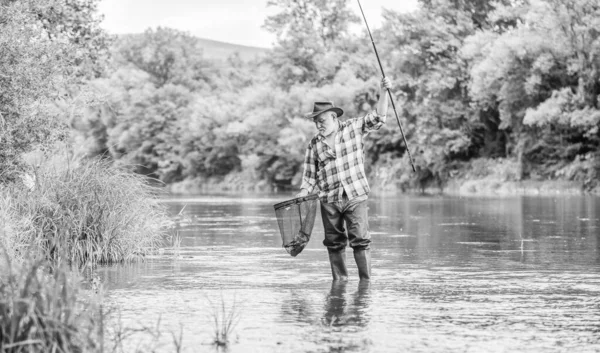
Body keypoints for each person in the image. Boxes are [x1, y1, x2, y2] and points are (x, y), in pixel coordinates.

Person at [296, 77, 392, 281]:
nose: (318, 125)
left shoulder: (353, 128)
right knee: (334, 243)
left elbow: (379, 118)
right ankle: (339, 286)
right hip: (329, 201)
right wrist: (303, 194)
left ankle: (365, 285)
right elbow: (309, 177)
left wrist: (383, 92)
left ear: (333, 117)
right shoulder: (314, 144)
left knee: (361, 241)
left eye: (321, 121)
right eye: (316, 122)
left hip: (355, 195)